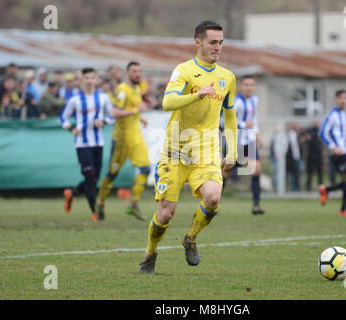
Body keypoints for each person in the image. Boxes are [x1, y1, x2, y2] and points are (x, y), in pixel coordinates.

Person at [139, 20, 238, 274]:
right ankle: (150, 253)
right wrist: (197, 94)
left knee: (214, 197)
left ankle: (190, 238)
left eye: (221, 43)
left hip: (206, 151)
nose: (218, 47)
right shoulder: (184, 71)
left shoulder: (227, 78)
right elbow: (167, 102)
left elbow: (229, 114)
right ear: (198, 42)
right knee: (165, 215)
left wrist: (234, 150)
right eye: (213, 42)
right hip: (174, 151)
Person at [97, 62, 154, 221]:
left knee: (145, 169)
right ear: (127, 73)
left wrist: (140, 118)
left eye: (140, 71)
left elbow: (130, 109)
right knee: (112, 173)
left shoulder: (136, 88)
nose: (138, 74)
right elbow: (114, 113)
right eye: (135, 71)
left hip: (135, 137)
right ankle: (100, 202)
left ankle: (133, 204)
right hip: (121, 140)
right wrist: (137, 111)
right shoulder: (122, 90)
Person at [60, 67, 114, 222]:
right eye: (87, 78)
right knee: (89, 176)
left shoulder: (103, 97)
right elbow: (62, 118)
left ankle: (72, 193)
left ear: (96, 80)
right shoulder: (74, 100)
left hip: (98, 143)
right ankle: (94, 211)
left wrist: (103, 121)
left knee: (94, 178)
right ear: (81, 80)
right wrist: (71, 129)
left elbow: (112, 116)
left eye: (92, 78)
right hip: (82, 144)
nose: (90, 81)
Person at [222, 75, 264, 214]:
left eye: (252, 85)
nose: (249, 87)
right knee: (226, 172)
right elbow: (224, 121)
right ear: (241, 86)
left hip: (249, 140)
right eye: (246, 84)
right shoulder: (236, 102)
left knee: (257, 169)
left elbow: (253, 120)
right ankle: (214, 204)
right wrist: (243, 124)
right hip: (235, 141)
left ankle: (256, 206)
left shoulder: (254, 100)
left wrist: (257, 134)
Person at [318, 89, 346, 217]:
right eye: (341, 98)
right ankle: (343, 210)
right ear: (336, 99)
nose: (343, 100)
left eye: (345, 98)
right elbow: (322, 133)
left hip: (345, 151)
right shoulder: (332, 115)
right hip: (338, 153)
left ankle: (326, 190)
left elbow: (341, 135)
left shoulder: (344, 115)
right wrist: (333, 147)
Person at [305, 121, 323, 191]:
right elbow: (307, 140)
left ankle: (321, 188)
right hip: (311, 156)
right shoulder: (309, 131)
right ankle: (308, 188)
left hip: (318, 155)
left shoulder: (320, 131)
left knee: (320, 173)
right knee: (310, 173)